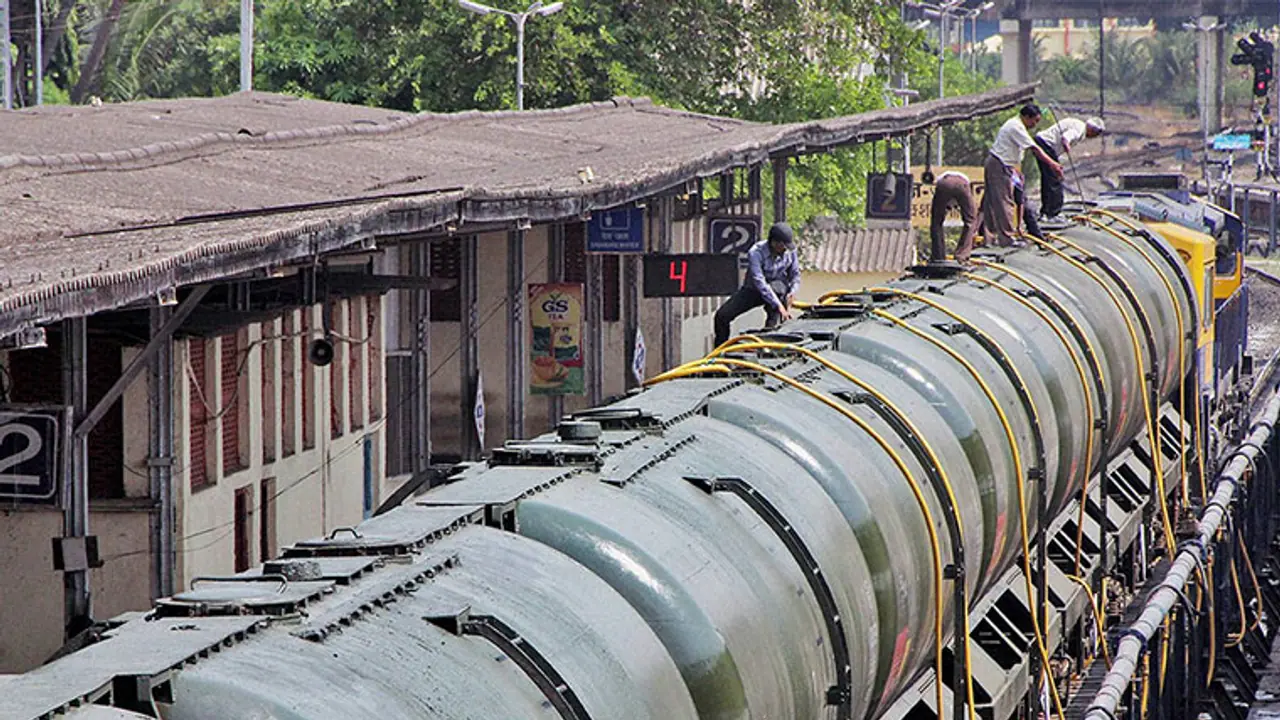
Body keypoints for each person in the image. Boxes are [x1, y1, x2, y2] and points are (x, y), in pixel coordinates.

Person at [983, 103, 1062, 246]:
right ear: (1026, 117)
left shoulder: (1017, 125)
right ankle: (1007, 238)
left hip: (1004, 164)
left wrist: (1016, 171)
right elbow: (1034, 148)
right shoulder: (1016, 127)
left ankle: (991, 237)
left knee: (995, 202)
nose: (1034, 125)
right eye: (1034, 121)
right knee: (1004, 202)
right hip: (999, 165)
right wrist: (1053, 164)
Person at [713, 222, 800, 347]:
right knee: (722, 316)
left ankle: (771, 332)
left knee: (778, 289)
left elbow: (795, 275)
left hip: (778, 290)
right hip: (754, 290)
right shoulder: (756, 252)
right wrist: (778, 305)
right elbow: (759, 281)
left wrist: (792, 292)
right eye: (782, 246)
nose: (785, 250)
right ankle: (720, 350)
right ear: (773, 243)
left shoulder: (790, 251)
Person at [1034, 115, 1105, 220]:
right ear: (1092, 130)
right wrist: (1066, 144)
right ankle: (1053, 213)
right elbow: (1066, 137)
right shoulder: (1079, 130)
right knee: (1055, 180)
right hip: (1047, 144)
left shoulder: (1079, 125)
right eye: (1096, 134)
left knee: (1048, 179)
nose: (1094, 137)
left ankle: (1045, 211)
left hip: (1042, 143)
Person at [929, 170, 978, 264]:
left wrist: (942, 211)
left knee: (936, 222)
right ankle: (962, 255)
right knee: (971, 221)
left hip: (944, 184)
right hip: (962, 184)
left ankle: (938, 256)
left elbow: (942, 206)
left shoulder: (941, 180)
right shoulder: (966, 183)